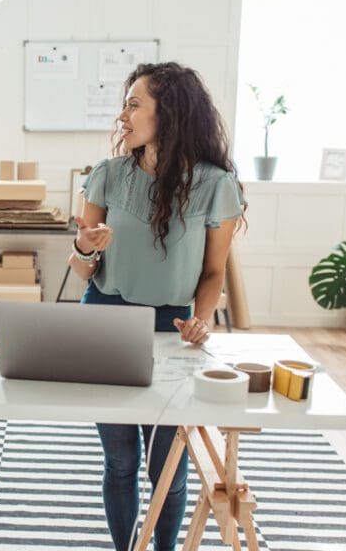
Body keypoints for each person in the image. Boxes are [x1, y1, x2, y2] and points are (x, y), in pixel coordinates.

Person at [69, 62, 246, 551]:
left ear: (167, 114)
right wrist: (86, 246)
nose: (122, 116)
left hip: (172, 328)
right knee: (121, 460)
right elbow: (84, 269)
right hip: (105, 317)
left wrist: (201, 319)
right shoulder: (107, 175)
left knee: (167, 462)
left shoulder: (215, 185)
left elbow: (213, 274)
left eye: (133, 104)